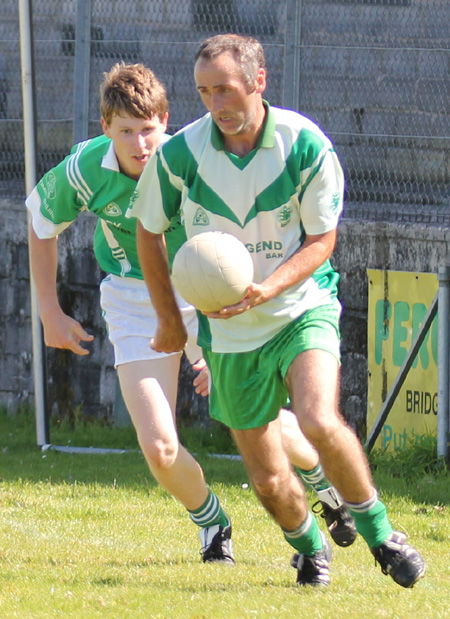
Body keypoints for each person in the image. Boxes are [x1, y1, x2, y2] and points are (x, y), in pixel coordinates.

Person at [25, 61, 353, 566]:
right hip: (134, 301)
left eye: (149, 130)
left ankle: (322, 487)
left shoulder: (190, 159)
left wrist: (215, 331)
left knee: (255, 415)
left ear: (166, 121)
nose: (139, 144)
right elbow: (41, 221)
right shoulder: (86, 169)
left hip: (207, 297)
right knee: (158, 446)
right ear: (105, 128)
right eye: (126, 132)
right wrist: (49, 308)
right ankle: (212, 521)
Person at [127, 35, 425, 588]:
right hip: (229, 333)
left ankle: (382, 534)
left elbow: (321, 240)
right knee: (267, 480)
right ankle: (311, 546)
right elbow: (148, 232)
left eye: (226, 89)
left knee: (317, 419)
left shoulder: (305, 144)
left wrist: (268, 288)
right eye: (204, 92)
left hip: (298, 306)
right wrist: (169, 317)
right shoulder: (180, 156)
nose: (216, 103)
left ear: (258, 82)